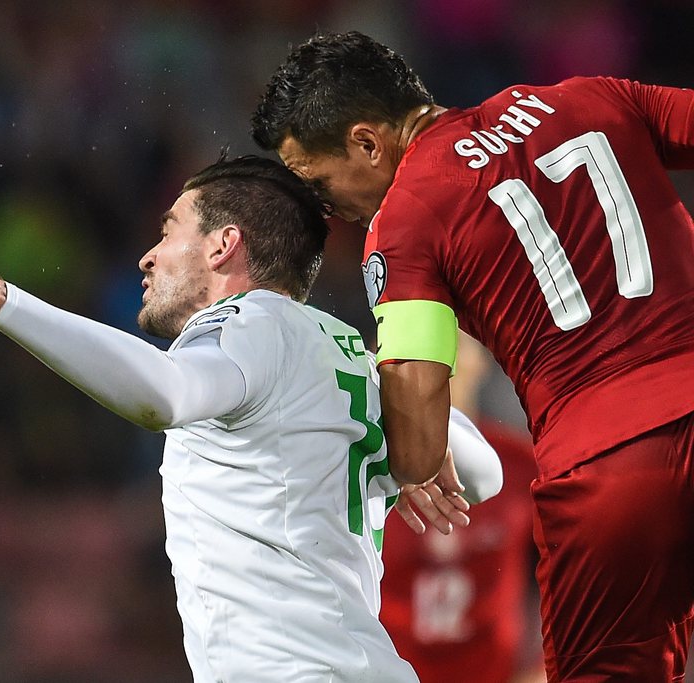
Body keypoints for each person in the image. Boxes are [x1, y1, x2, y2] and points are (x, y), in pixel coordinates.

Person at [0, 155, 501, 682]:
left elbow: (163, 396)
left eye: (169, 232)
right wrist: (423, 428)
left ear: (226, 246)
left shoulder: (251, 321)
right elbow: (485, 473)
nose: (148, 256)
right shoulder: (351, 356)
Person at [251, 30, 694, 681]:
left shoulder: (405, 219)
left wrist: (414, 458)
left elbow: (413, 385)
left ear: (368, 143)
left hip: (611, 465)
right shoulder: (591, 98)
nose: (325, 209)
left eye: (317, 183)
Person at [380, 333, 544, 683]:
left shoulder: (523, 466)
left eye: (453, 346)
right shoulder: (366, 464)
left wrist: (544, 667)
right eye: (426, 345)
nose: (440, 365)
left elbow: (574, 575)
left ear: (483, 363)